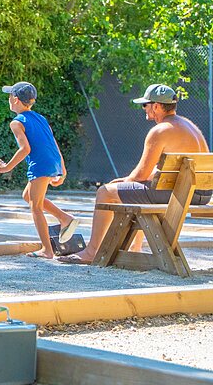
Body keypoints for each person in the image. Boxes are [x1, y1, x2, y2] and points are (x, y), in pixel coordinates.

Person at [62, 83, 210, 264]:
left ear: (156, 106)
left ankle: (92, 251)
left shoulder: (159, 131)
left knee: (105, 192)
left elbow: (140, 175)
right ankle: (135, 248)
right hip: (202, 194)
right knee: (136, 191)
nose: (144, 109)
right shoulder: (189, 125)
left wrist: (119, 182)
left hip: (180, 194)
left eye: (145, 105)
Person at [0, 82, 80, 258]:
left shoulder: (16, 123)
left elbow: (25, 150)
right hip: (51, 162)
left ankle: (47, 250)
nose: (9, 99)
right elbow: (53, 143)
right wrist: (61, 168)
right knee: (29, 197)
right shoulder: (41, 118)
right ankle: (64, 218)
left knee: (36, 207)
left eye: (10, 96)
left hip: (40, 165)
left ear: (15, 99)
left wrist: (6, 167)